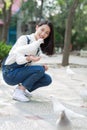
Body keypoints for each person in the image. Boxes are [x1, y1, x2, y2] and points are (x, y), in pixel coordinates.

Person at [1, 20, 54, 102]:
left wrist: (41, 66)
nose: (43, 34)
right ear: (37, 27)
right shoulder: (24, 39)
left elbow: (29, 67)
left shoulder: (37, 49)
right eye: (42, 30)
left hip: (18, 71)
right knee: (40, 70)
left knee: (47, 79)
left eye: (47, 33)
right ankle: (19, 92)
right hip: (9, 72)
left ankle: (22, 89)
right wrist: (29, 59)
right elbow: (19, 60)